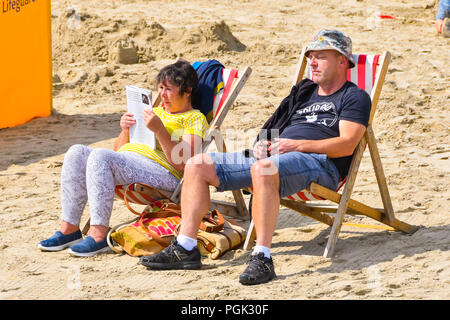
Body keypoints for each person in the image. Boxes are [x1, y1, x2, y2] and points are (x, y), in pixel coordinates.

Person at [139, 29, 372, 285]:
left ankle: (262, 257)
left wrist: (297, 145)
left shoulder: (354, 97)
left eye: (320, 57)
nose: (312, 63)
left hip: (320, 163)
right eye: (310, 57)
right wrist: (265, 144)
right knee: (197, 164)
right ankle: (186, 247)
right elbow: (278, 126)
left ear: (342, 61)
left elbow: (347, 145)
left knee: (264, 169)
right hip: (278, 155)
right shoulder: (304, 93)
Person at [38, 60, 209, 257]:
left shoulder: (194, 119)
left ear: (187, 90)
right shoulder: (155, 112)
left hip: (165, 175)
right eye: (160, 88)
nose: (162, 94)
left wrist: (160, 130)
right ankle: (69, 229)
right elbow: (118, 150)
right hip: (131, 163)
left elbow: (183, 163)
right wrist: (126, 129)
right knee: (77, 152)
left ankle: (98, 235)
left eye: (168, 89)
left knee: (100, 156)